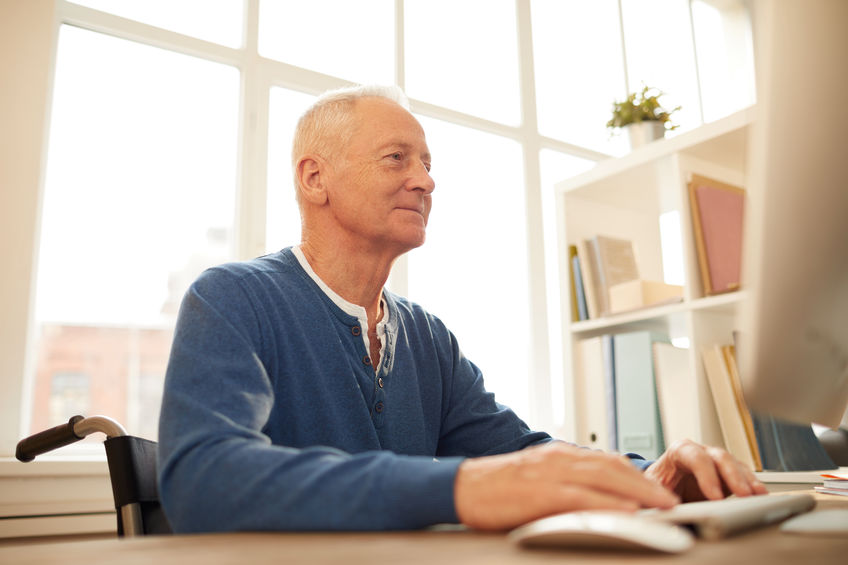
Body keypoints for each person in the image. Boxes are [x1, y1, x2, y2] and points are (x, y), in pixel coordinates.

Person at [157, 84, 766, 533]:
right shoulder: (233, 297)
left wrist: (650, 471)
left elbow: (521, 454)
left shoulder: (426, 336)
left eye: (427, 163)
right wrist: (461, 485)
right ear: (314, 178)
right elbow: (203, 483)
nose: (425, 180)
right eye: (398, 158)